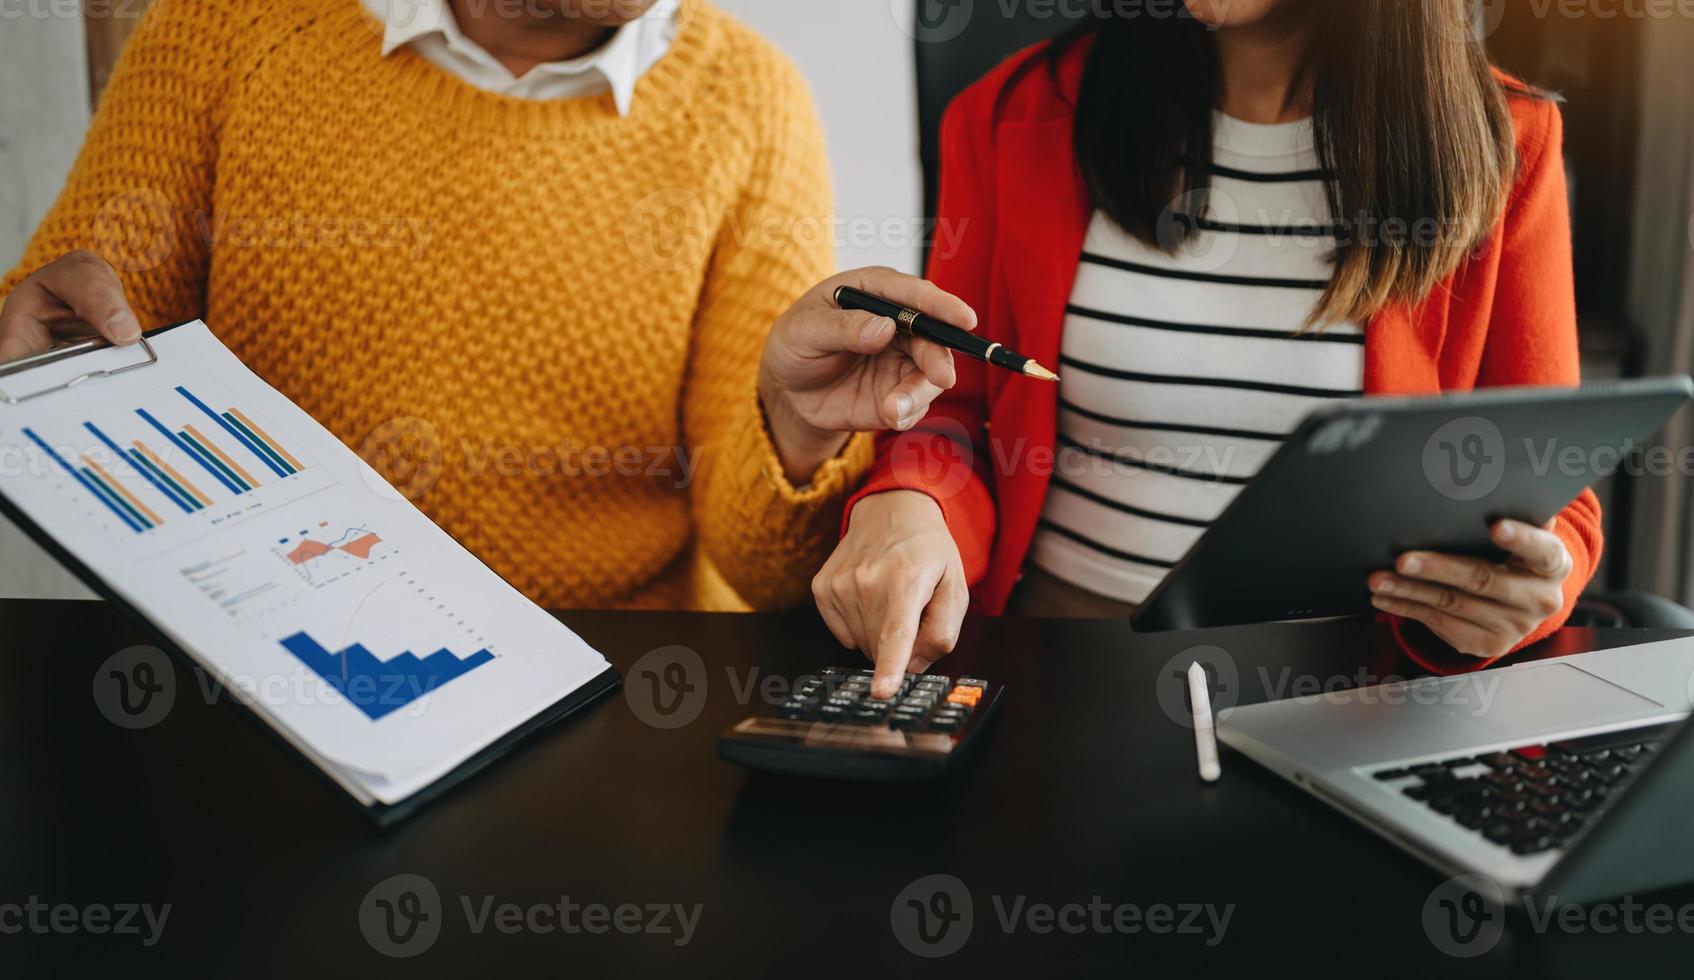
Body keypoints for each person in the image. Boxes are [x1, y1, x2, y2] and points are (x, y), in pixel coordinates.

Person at [0, 0, 969, 611]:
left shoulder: (749, 98)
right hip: (263, 659)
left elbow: (764, 574)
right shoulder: (224, 27)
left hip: (614, 672)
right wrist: (43, 370)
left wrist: (794, 428)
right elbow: (65, 368)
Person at [818, 0, 1600, 699]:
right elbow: (949, 410)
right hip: (1058, 671)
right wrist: (912, 500)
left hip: (1349, 701)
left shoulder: (1506, 142)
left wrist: (1522, 594)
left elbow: (1550, 488)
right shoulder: (1013, 114)